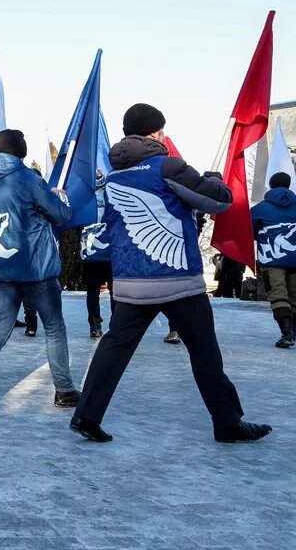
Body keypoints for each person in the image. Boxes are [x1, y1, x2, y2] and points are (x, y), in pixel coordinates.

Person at [71, 103, 271, 444]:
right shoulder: (168, 166)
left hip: (131, 281)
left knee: (114, 348)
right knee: (204, 351)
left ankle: (86, 415)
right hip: (177, 279)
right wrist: (212, 179)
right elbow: (219, 201)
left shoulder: (112, 177)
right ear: (156, 133)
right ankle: (228, 423)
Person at [0, 129, 79, 413]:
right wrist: (60, 197)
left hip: (4, 271)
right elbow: (61, 215)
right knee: (54, 327)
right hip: (37, 270)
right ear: (20, 150)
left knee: (1, 327)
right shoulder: (29, 179)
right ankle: (64, 390)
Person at [251, 171, 296, 348]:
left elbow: (248, 229)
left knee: (278, 296)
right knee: (294, 297)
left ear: (270, 185)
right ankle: (293, 332)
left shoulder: (261, 208)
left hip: (271, 260)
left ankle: (287, 334)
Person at [80, 169, 114, 339]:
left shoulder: (83, 198)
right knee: (115, 290)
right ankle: (115, 325)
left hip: (91, 250)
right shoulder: (113, 195)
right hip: (109, 250)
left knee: (93, 290)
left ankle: (95, 326)